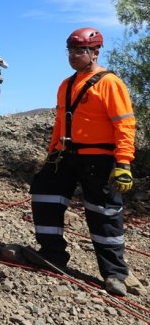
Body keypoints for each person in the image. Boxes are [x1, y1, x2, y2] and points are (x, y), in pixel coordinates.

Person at [30, 27, 136, 297]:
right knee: (45, 195)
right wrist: (53, 151)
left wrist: (123, 163)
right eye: (71, 50)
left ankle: (114, 273)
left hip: (99, 158)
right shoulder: (66, 84)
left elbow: (124, 124)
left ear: (95, 52)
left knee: (104, 215)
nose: (74, 55)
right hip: (66, 155)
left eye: (81, 51)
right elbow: (60, 121)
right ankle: (52, 255)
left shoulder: (109, 83)